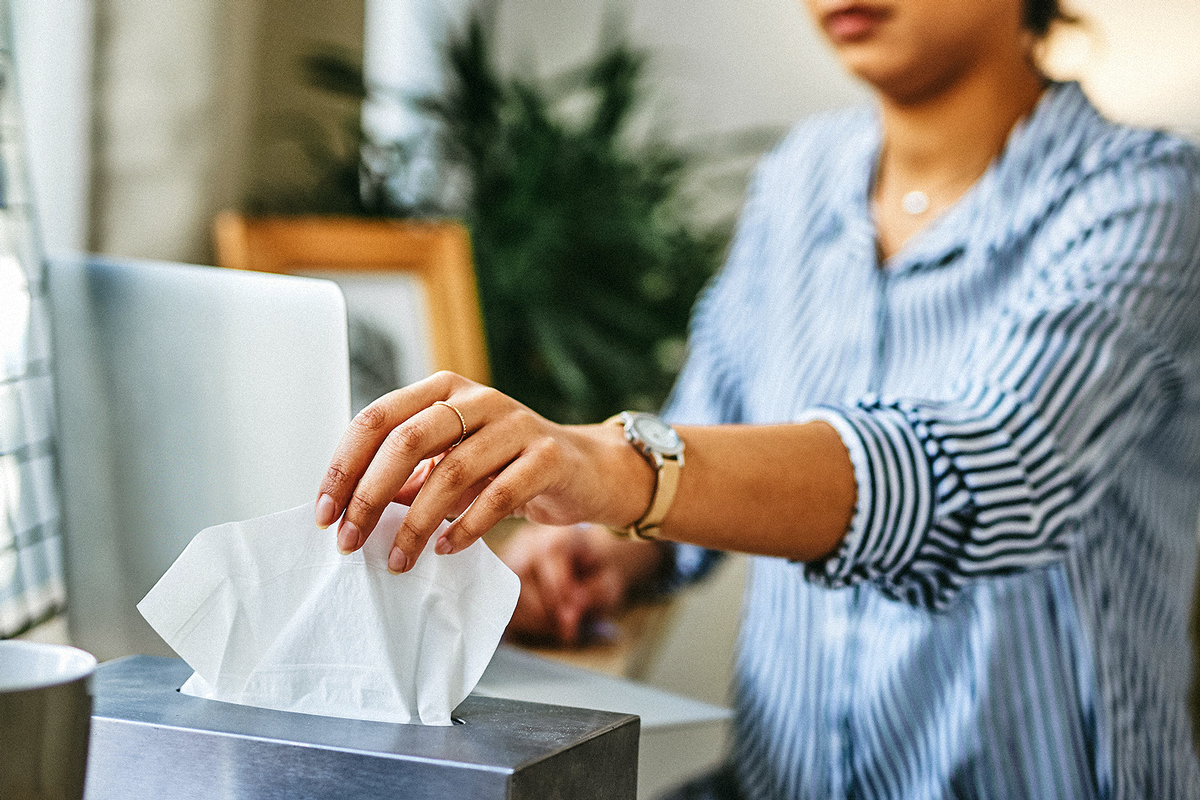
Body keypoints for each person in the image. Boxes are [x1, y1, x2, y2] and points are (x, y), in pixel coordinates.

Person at [314, 0, 1200, 796]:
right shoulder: (799, 181)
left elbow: (988, 470)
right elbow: (704, 432)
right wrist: (603, 550)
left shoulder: (1143, 195)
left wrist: (612, 464)